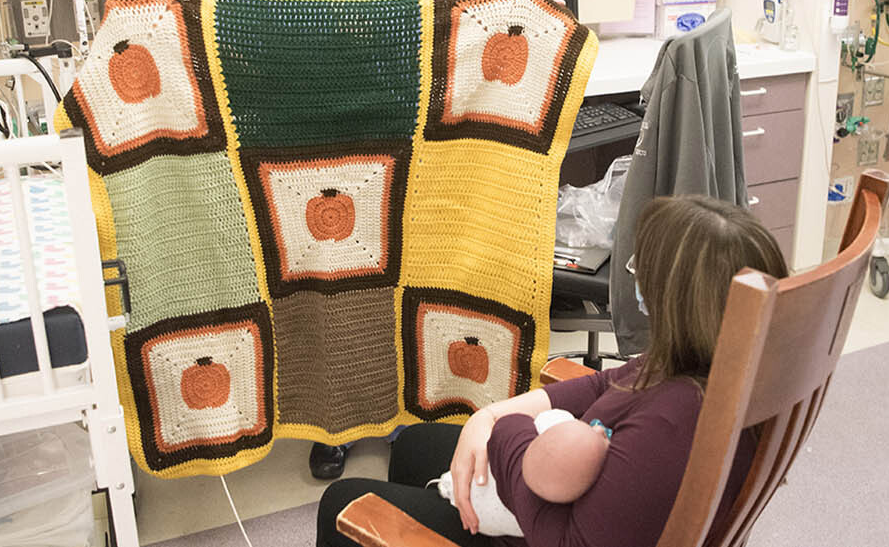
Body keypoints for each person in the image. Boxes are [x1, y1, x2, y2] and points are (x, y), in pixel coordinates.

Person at [316, 195, 790, 547]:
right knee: (422, 445)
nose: (634, 280)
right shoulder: (711, 364)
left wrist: (509, 434)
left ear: (678, 304)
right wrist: (488, 417)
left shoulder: (671, 426)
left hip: (551, 532)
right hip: (567, 502)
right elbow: (606, 383)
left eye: (641, 271)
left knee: (344, 502)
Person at [226, 0, 438, 481]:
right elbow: (236, 68)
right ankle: (336, 423)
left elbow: (442, 47)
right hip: (303, 167)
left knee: (394, 295)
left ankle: (405, 422)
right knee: (326, 301)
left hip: (388, 160)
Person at [433, 409, 613, 538]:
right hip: (478, 511)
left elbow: (511, 423)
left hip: (474, 507)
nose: (599, 429)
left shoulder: (556, 422)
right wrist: (482, 419)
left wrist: (487, 417)